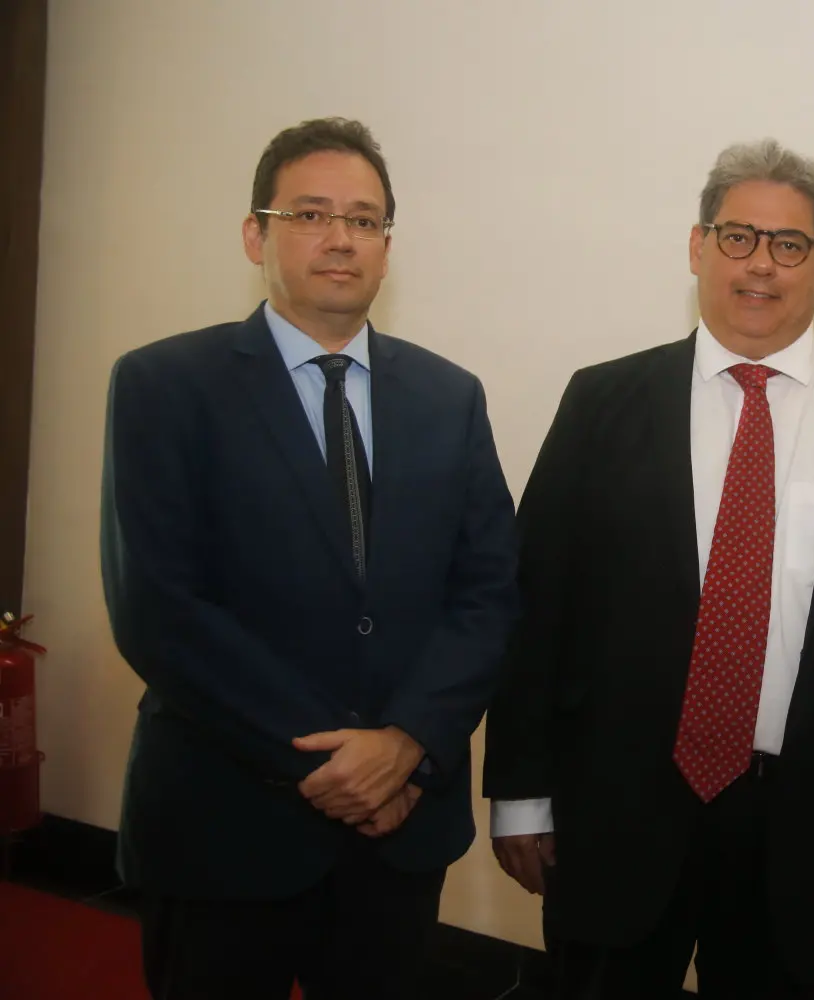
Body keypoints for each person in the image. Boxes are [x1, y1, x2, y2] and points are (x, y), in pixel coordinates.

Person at [482, 139, 814, 998]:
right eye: (738, 236)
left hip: (804, 828)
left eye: (790, 244)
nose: (760, 264)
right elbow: (537, 604)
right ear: (698, 247)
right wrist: (519, 792)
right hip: (618, 812)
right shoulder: (602, 402)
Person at [100, 117, 520, 1000]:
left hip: (400, 834)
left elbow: (488, 591)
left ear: (387, 247)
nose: (340, 238)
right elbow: (159, 609)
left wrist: (405, 744)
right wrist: (338, 764)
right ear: (256, 234)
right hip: (222, 825)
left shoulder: (449, 396)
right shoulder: (164, 386)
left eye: (364, 220)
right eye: (310, 214)